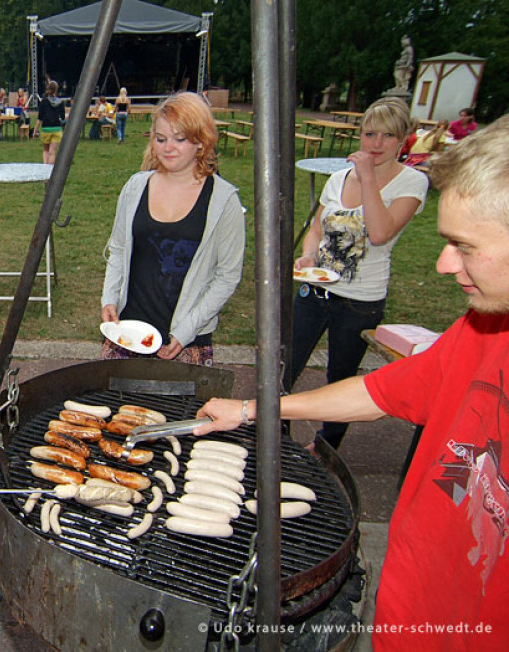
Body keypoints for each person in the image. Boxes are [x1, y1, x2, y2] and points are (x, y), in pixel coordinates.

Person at [195, 116, 509, 649]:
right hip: (405, 619)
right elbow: (378, 392)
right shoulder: (480, 332)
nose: (441, 263)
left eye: (465, 245)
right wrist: (250, 410)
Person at [291, 98, 429, 450]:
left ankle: (327, 446)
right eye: (370, 134)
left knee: (341, 376)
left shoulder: (411, 182)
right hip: (316, 289)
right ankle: (273, 431)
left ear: (403, 141)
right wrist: (308, 255)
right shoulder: (337, 179)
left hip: (360, 300)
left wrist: (368, 177)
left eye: (387, 135)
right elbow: (316, 230)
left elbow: (380, 233)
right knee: (284, 362)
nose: (376, 144)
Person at [100, 92, 245, 366]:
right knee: (114, 407)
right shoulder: (135, 187)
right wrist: (110, 298)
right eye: (161, 138)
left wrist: (185, 331)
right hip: (128, 332)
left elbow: (227, 276)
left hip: (186, 339)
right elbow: (118, 249)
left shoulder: (223, 201)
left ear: (201, 142)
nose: (168, 148)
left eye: (180, 139)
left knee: (181, 410)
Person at [33, 81, 65, 165]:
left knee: (46, 150)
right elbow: (63, 118)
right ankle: (50, 172)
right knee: (52, 152)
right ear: (56, 90)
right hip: (56, 129)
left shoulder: (44, 101)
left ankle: (45, 169)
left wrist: (35, 131)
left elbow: (39, 118)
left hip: (46, 129)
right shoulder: (60, 102)